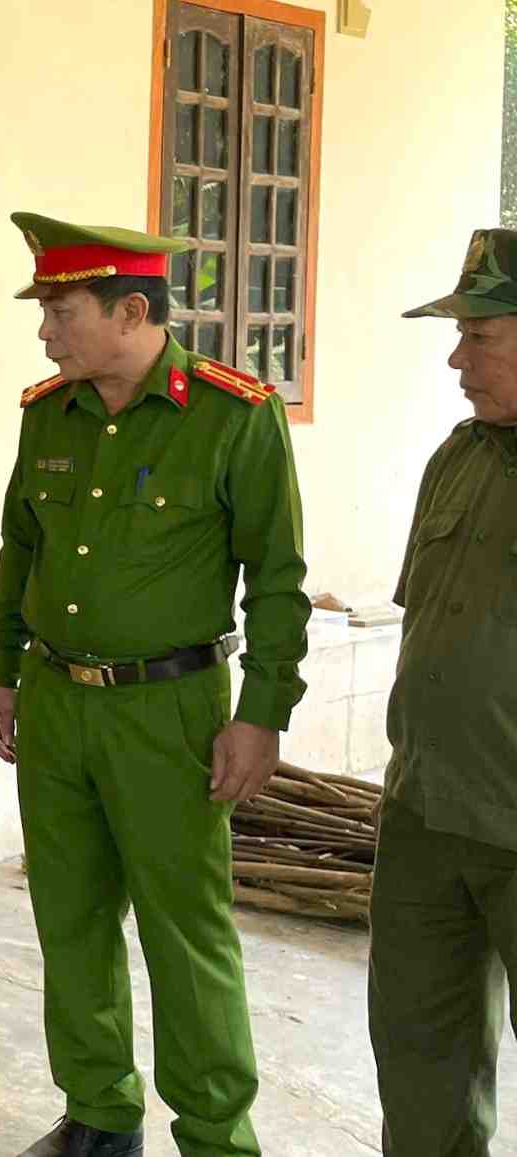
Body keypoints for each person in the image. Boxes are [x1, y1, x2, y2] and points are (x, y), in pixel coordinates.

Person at [0, 213, 310, 1157]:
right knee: (69, 917)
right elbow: (19, 550)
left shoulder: (234, 414)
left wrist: (261, 715)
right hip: (55, 700)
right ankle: (99, 1111)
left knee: (184, 931)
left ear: (131, 311)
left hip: (170, 711)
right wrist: (1, 671)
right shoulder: (49, 412)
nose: (45, 332)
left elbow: (278, 579)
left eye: (62, 312)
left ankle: (215, 1134)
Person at [370, 228, 517, 1156]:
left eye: (480, 336)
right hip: (426, 813)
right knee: (421, 1066)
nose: (458, 359)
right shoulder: (456, 457)